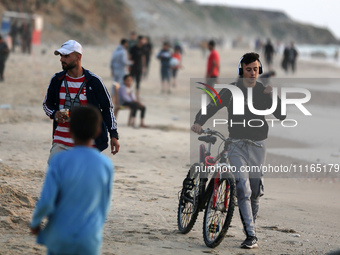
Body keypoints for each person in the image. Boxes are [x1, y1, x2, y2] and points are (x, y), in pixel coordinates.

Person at [191, 52, 286, 249]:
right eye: (249, 69)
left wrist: (273, 98)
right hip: (236, 145)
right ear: (242, 69)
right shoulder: (231, 90)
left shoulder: (263, 91)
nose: (253, 73)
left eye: (256, 69)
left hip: (259, 147)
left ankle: (249, 227)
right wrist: (199, 121)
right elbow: (212, 106)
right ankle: (251, 235)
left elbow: (281, 115)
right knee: (242, 187)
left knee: (254, 192)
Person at [30, 105, 114, 255]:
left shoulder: (59, 161)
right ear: (98, 131)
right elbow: (104, 204)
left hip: (60, 236)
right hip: (89, 238)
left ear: (70, 131)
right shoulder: (105, 164)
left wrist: (36, 223)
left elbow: (47, 200)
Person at [43, 40, 120, 162]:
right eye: (61, 56)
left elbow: (107, 108)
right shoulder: (57, 79)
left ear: (78, 57)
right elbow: (47, 104)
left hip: (88, 144)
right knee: (56, 176)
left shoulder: (94, 81)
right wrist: (54, 113)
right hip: (61, 141)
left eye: (66, 56)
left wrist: (114, 135)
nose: (62, 59)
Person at [129, 35, 146, 100]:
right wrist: (129, 65)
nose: (141, 44)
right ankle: (129, 94)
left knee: (138, 81)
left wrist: (144, 67)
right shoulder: (133, 48)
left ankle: (137, 95)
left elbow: (143, 58)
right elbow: (130, 57)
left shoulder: (142, 48)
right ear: (138, 42)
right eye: (140, 42)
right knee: (130, 81)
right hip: (133, 67)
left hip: (139, 67)